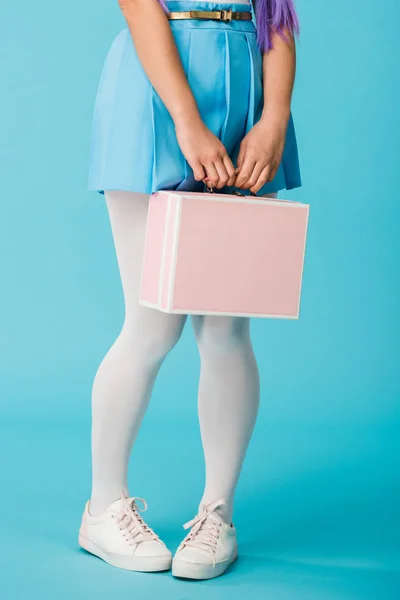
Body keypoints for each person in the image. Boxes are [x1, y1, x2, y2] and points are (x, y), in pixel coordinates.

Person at [78, 0, 301, 580]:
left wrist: (275, 117)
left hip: (247, 91)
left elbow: (277, 17)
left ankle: (217, 514)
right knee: (151, 323)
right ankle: (103, 507)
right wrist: (186, 120)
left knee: (228, 326)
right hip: (155, 93)